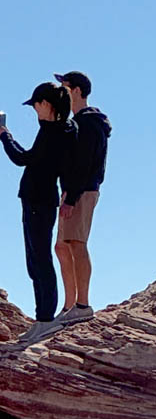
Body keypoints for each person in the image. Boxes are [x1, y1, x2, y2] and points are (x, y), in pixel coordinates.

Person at [0, 82, 78, 343]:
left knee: (39, 260)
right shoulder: (62, 129)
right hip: (40, 201)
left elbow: (23, 159)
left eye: (36, 104)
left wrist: (4, 134)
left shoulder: (53, 132)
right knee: (37, 259)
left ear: (46, 104)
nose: (34, 109)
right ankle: (42, 318)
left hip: (38, 202)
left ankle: (45, 320)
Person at [53, 71, 111, 325]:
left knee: (76, 243)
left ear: (76, 91)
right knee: (62, 245)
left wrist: (72, 197)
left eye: (64, 87)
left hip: (82, 190)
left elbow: (85, 163)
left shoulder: (88, 123)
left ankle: (82, 304)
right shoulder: (78, 121)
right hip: (73, 190)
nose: (61, 92)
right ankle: (69, 306)